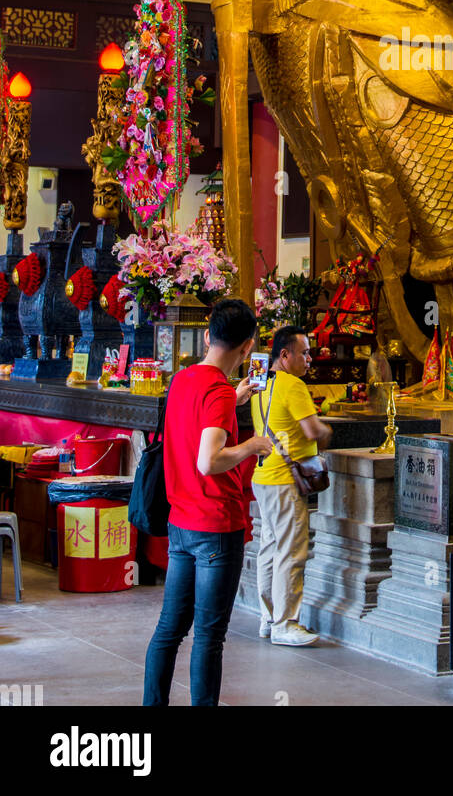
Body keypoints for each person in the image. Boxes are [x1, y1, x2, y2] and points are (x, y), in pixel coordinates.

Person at [143, 298, 271, 707]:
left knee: (169, 629)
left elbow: (200, 413)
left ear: (206, 336)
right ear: (248, 346)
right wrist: (252, 444)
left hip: (180, 522)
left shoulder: (183, 380)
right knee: (209, 636)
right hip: (215, 525)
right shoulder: (216, 392)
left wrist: (233, 397)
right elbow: (209, 460)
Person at [250, 326, 333, 646]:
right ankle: (286, 623)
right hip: (286, 480)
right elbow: (313, 430)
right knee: (292, 552)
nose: (310, 359)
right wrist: (326, 429)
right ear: (284, 355)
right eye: (305, 353)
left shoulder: (258, 379)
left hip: (263, 476)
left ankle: (268, 618)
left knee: (270, 549)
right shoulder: (294, 385)